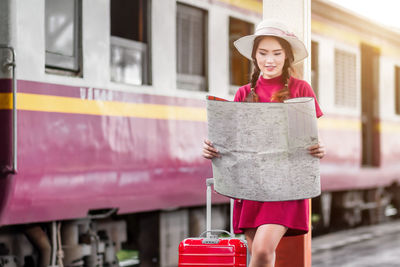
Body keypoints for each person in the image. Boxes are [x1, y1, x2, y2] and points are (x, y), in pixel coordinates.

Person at [202, 19, 326, 267]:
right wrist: (211, 149)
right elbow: (233, 143)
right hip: (250, 187)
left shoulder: (301, 89)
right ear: (255, 56)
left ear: (287, 57)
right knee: (260, 256)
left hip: (286, 187)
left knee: (261, 251)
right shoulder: (243, 93)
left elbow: (309, 139)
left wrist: (319, 148)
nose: (270, 60)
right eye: (263, 53)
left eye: (277, 54)